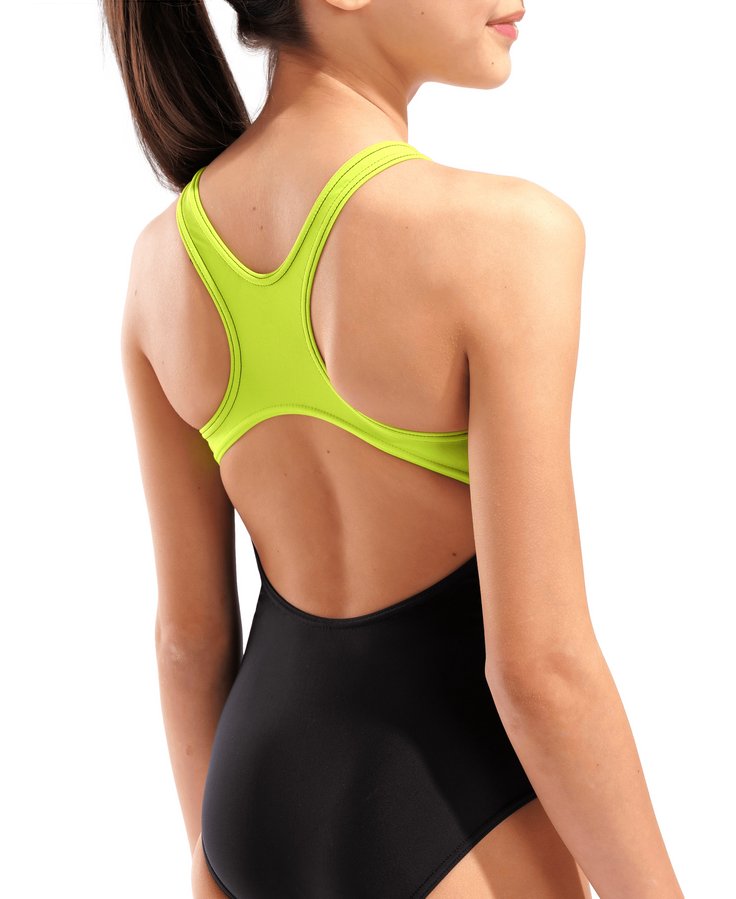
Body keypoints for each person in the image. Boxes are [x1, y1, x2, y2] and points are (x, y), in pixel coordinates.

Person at [103, 1, 685, 897]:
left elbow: (189, 641)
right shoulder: (507, 239)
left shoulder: (160, 267)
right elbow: (541, 671)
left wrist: (213, 860)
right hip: (450, 804)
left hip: (246, 810)